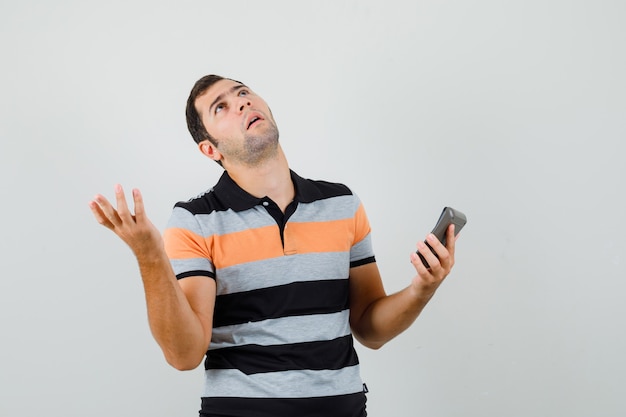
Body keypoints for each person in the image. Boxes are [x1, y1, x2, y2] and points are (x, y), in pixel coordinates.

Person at [88, 74, 459, 417]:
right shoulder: (196, 220)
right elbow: (183, 354)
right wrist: (149, 256)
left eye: (243, 93)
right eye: (222, 107)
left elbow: (369, 329)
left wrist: (421, 289)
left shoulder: (342, 204)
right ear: (210, 149)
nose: (242, 104)